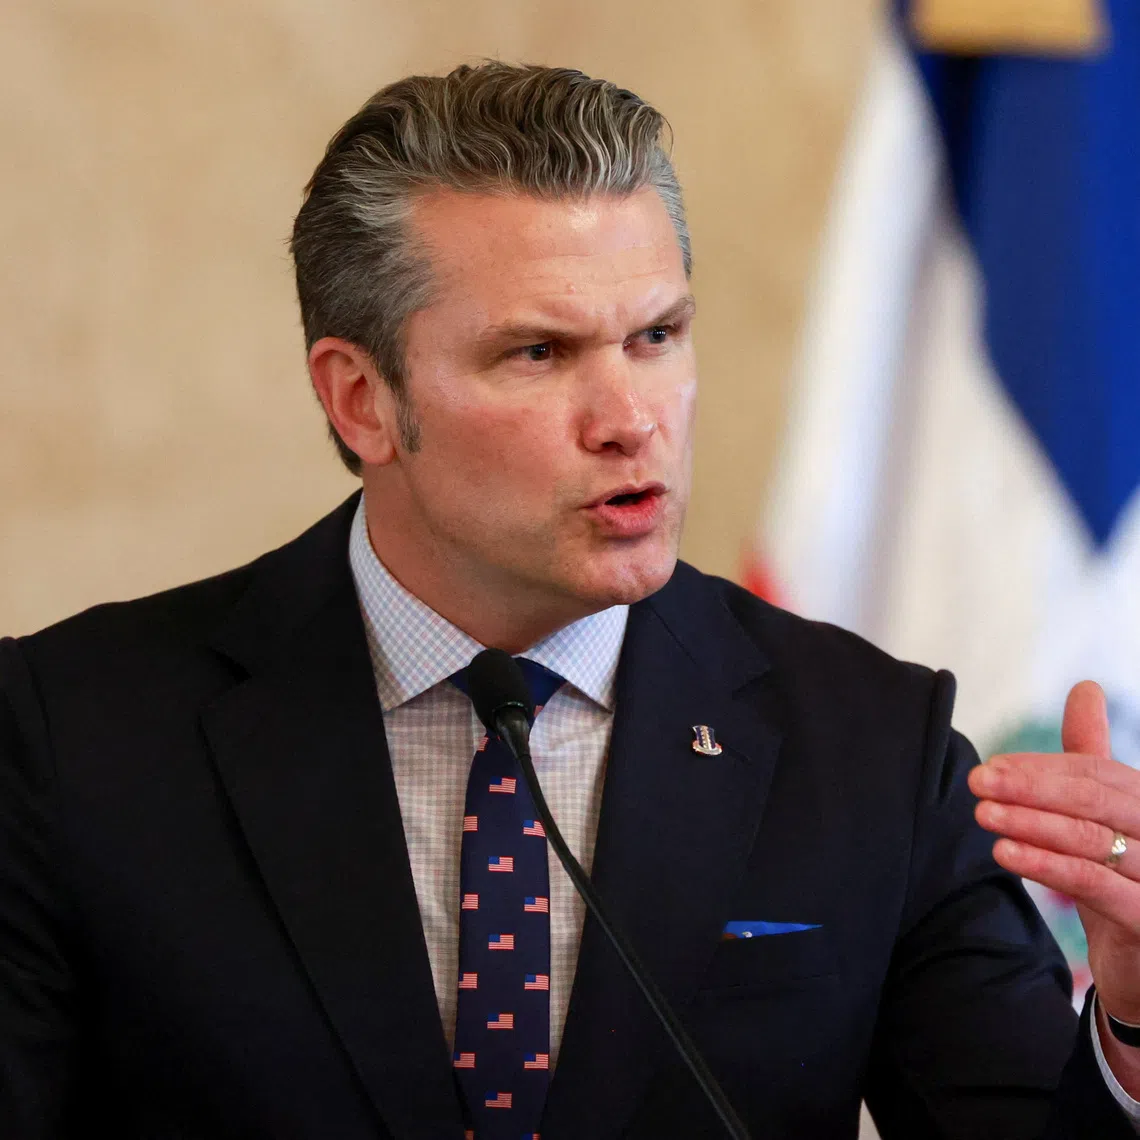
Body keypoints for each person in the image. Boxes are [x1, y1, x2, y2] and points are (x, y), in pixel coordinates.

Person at [2, 62, 1140, 1140]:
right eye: (539, 353)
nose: (630, 418)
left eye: (656, 336)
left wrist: (1132, 1031)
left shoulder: (873, 748)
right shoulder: (71, 738)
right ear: (361, 401)